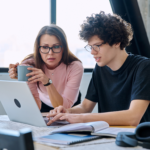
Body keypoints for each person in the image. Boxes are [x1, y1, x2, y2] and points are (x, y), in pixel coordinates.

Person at [46, 11, 150, 126]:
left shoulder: (144, 67)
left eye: (97, 46)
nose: (92, 52)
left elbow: (133, 117)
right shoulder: (101, 68)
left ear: (116, 42)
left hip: (136, 139)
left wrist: (80, 118)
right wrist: (68, 111)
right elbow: (85, 107)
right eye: (90, 47)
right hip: (108, 135)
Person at [8, 25, 83, 112]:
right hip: (43, 102)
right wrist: (22, 81)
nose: (50, 53)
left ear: (64, 48)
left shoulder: (75, 66)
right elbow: (34, 107)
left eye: (56, 46)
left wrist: (47, 82)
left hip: (68, 103)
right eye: (45, 47)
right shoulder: (29, 65)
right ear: (38, 49)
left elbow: (64, 107)